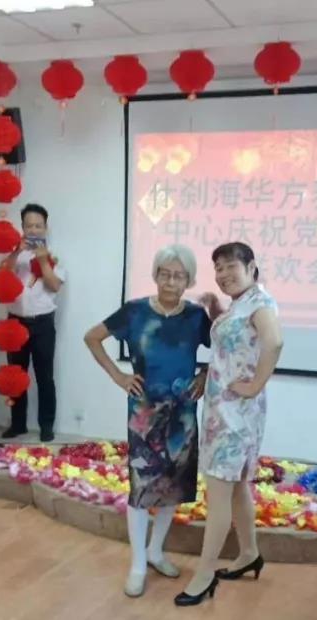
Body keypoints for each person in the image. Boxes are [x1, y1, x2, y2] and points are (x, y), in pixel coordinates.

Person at [84, 245, 211, 597]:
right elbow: (92, 337)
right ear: (155, 275)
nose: (171, 282)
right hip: (144, 414)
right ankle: (138, 563)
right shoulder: (135, 312)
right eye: (165, 274)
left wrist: (205, 375)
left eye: (179, 276)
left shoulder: (197, 316)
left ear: (189, 280)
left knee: (172, 486)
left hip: (182, 414)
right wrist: (118, 376)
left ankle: (156, 551)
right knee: (142, 488)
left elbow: (228, 347)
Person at [177, 241, 283, 607]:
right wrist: (215, 310)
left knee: (219, 492)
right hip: (226, 412)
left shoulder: (261, 303)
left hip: (235, 416)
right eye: (218, 268)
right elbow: (239, 344)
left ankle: (205, 574)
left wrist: (255, 385)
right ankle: (249, 553)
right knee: (237, 487)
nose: (223, 274)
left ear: (251, 267)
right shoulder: (242, 303)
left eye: (230, 266)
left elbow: (274, 342)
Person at [2, 203, 64, 444]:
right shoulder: (15, 255)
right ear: (23, 227)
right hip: (15, 323)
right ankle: (17, 425)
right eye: (29, 226)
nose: (34, 230)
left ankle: (46, 426)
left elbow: (54, 285)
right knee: (15, 377)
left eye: (38, 225)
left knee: (44, 377)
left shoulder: (54, 256)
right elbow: (2, 275)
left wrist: (43, 260)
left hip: (43, 324)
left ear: (45, 228)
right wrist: (16, 252)